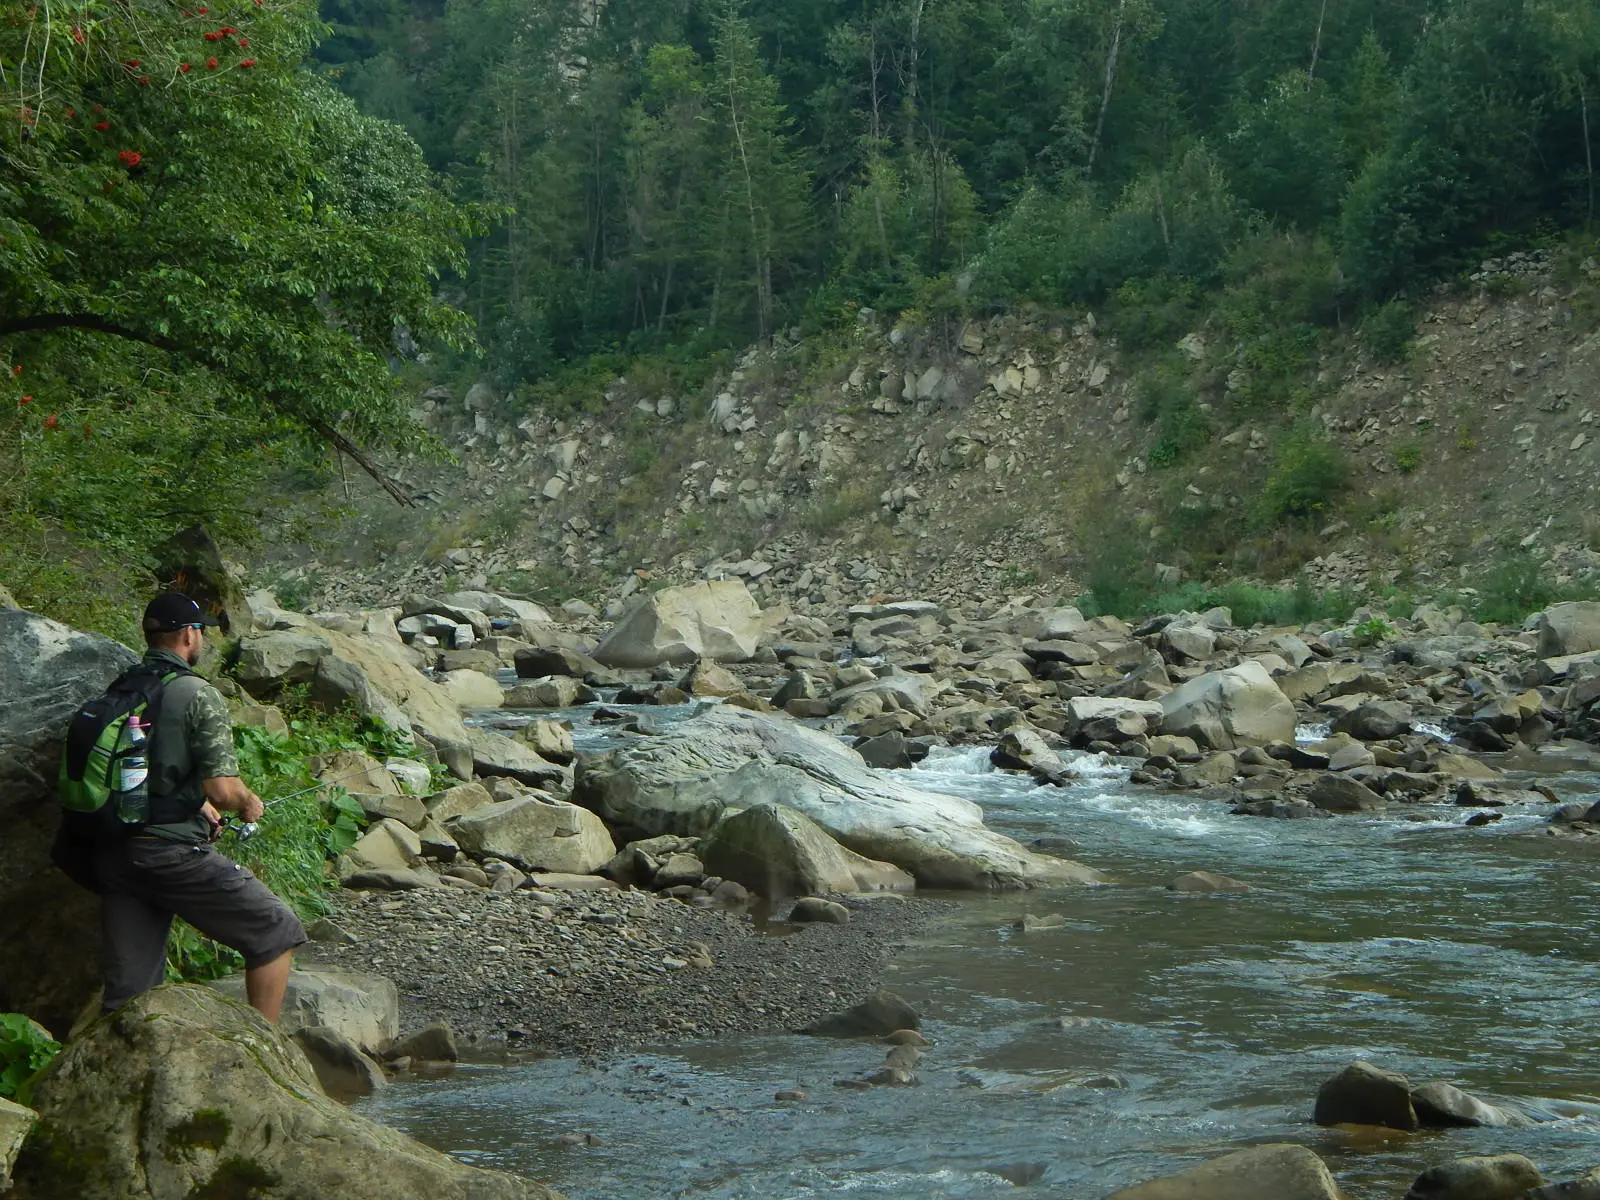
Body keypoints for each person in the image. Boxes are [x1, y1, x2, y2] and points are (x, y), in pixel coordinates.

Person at [86, 592, 306, 1021]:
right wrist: (247, 802)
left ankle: (118, 1056)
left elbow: (141, 767)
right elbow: (223, 790)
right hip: (169, 856)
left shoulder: (126, 685)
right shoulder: (196, 693)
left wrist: (194, 803)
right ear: (189, 635)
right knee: (276, 930)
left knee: (128, 995)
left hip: (114, 853)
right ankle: (266, 1047)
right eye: (201, 631)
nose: (202, 639)